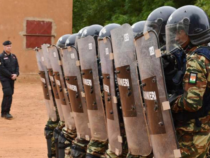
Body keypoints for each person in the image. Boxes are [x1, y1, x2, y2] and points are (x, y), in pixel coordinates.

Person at [166, 5, 210, 157]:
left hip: (192, 134)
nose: (176, 37)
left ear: (193, 30)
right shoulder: (206, 53)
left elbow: (192, 102)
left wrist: (170, 103)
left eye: (180, 31)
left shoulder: (196, 59)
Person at [0, 40, 19, 119]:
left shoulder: (13, 56)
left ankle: (3, 112)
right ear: (4, 47)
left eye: (10, 46)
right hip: (4, 78)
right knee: (8, 93)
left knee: (9, 94)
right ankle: (6, 112)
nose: (9, 47)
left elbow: (17, 67)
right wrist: (10, 75)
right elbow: (1, 68)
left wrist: (16, 74)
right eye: (7, 46)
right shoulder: (1, 56)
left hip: (12, 78)